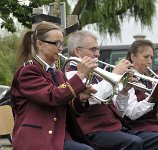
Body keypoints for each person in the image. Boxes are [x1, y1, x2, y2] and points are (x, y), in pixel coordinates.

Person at [65, 30, 158, 150]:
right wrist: (115, 75)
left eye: (98, 50)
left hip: (115, 127)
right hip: (92, 131)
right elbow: (92, 97)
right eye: (93, 49)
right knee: (135, 142)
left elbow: (120, 111)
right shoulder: (71, 75)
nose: (98, 54)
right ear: (78, 51)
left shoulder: (98, 75)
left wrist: (124, 92)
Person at [11, 22, 98, 150]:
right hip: (36, 138)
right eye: (56, 43)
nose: (60, 48)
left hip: (58, 135)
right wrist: (80, 76)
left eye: (62, 43)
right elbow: (52, 97)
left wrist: (81, 99)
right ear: (40, 44)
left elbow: (67, 109)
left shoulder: (57, 72)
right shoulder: (28, 71)